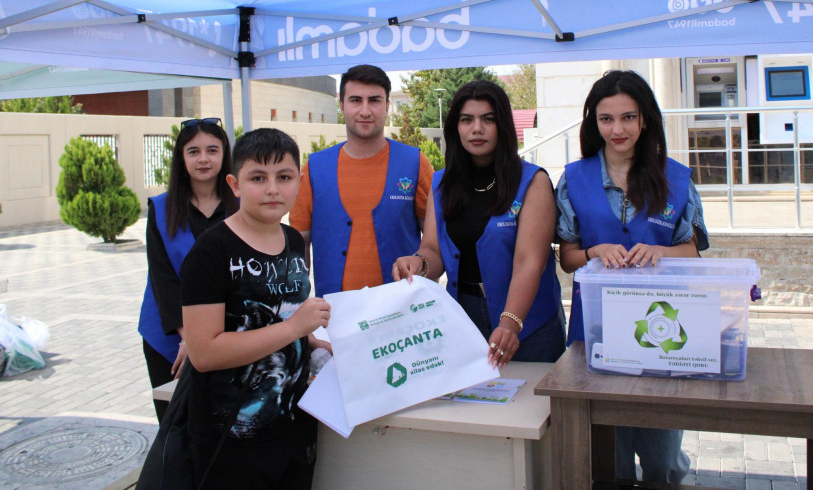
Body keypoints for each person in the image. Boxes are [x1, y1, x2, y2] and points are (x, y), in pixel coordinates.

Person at [555, 70, 709, 485]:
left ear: (645, 121)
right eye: (606, 119)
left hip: (664, 332)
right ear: (594, 123)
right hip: (596, 331)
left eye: (628, 117)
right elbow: (567, 257)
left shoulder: (676, 179)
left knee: (662, 459)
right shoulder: (573, 179)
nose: (617, 129)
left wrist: (661, 251)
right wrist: (593, 251)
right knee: (609, 459)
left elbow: (693, 250)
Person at [180, 128, 331, 488]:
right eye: (258, 178)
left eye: (284, 177)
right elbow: (204, 352)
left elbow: (281, 312)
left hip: (293, 426)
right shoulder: (210, 252)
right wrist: (294, 329)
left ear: (299, 180)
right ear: (234, 184)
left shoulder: (293, 240)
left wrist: (309, 342)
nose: (273, 189)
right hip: (231, 439)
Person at [394, 81, 565, 367]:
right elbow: (433, 250)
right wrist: (418, 264)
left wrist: (510, 323)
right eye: (466, 120)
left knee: (531, 408)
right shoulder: (441, 183)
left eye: (488, 119)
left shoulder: (533, 182)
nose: (477, 128)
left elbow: (529, 262)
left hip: (529, 323)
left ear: (503, 126)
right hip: (464, 319)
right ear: (455, 127)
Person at [291, 64, 434, 296]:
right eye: (356, 100)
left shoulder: (415, 163)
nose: (365, 111)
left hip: (402, 313)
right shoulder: (315, 168)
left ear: (387, 106)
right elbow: (299, 246)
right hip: (335, 315)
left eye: (374, 100)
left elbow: (433, 245)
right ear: (342, 106)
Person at [138, 117, 237, 422]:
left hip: (228, 334)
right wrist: (189, 339)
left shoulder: (241, 205)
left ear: (224, 155)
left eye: (212, 149)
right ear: (182, 158)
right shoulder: (162, 209)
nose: (203, 159)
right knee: (176, 423)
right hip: (170, 336)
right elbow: (163, 280)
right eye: (193, 151)